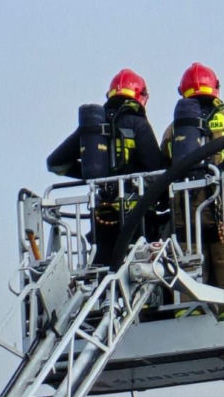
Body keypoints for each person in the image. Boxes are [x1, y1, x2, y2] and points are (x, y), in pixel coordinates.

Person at [161, 63, 224, 313]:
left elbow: (162, 165)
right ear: (216, 88)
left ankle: (187, 312)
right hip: (223, 211)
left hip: (185, 214)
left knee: (188, 264)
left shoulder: (174, 129)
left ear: (183, 91)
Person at [47, 69, 161, 265]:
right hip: (138, 220)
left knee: (102, 271)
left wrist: (90, 174)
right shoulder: (139, 124)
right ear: (141, 97)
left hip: (102, 216)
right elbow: (158, 169)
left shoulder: (93, 127)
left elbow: (56, 164)